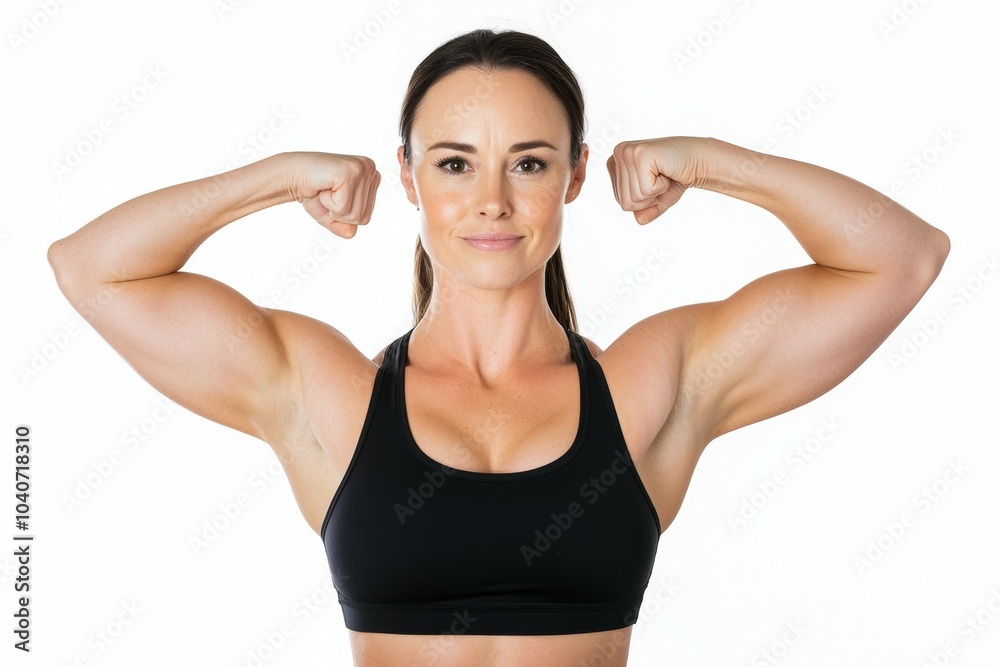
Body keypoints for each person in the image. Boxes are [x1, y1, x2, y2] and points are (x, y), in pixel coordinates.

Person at [48, 27, 949, 667]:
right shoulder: (327, 392)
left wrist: (713, 161)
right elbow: (91, 269)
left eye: (528, 161)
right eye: (452, 162)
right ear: (406, 175)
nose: (492, 200)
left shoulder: (650, 383)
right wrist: (275, 178)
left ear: (575, 175)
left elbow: (902, 259)